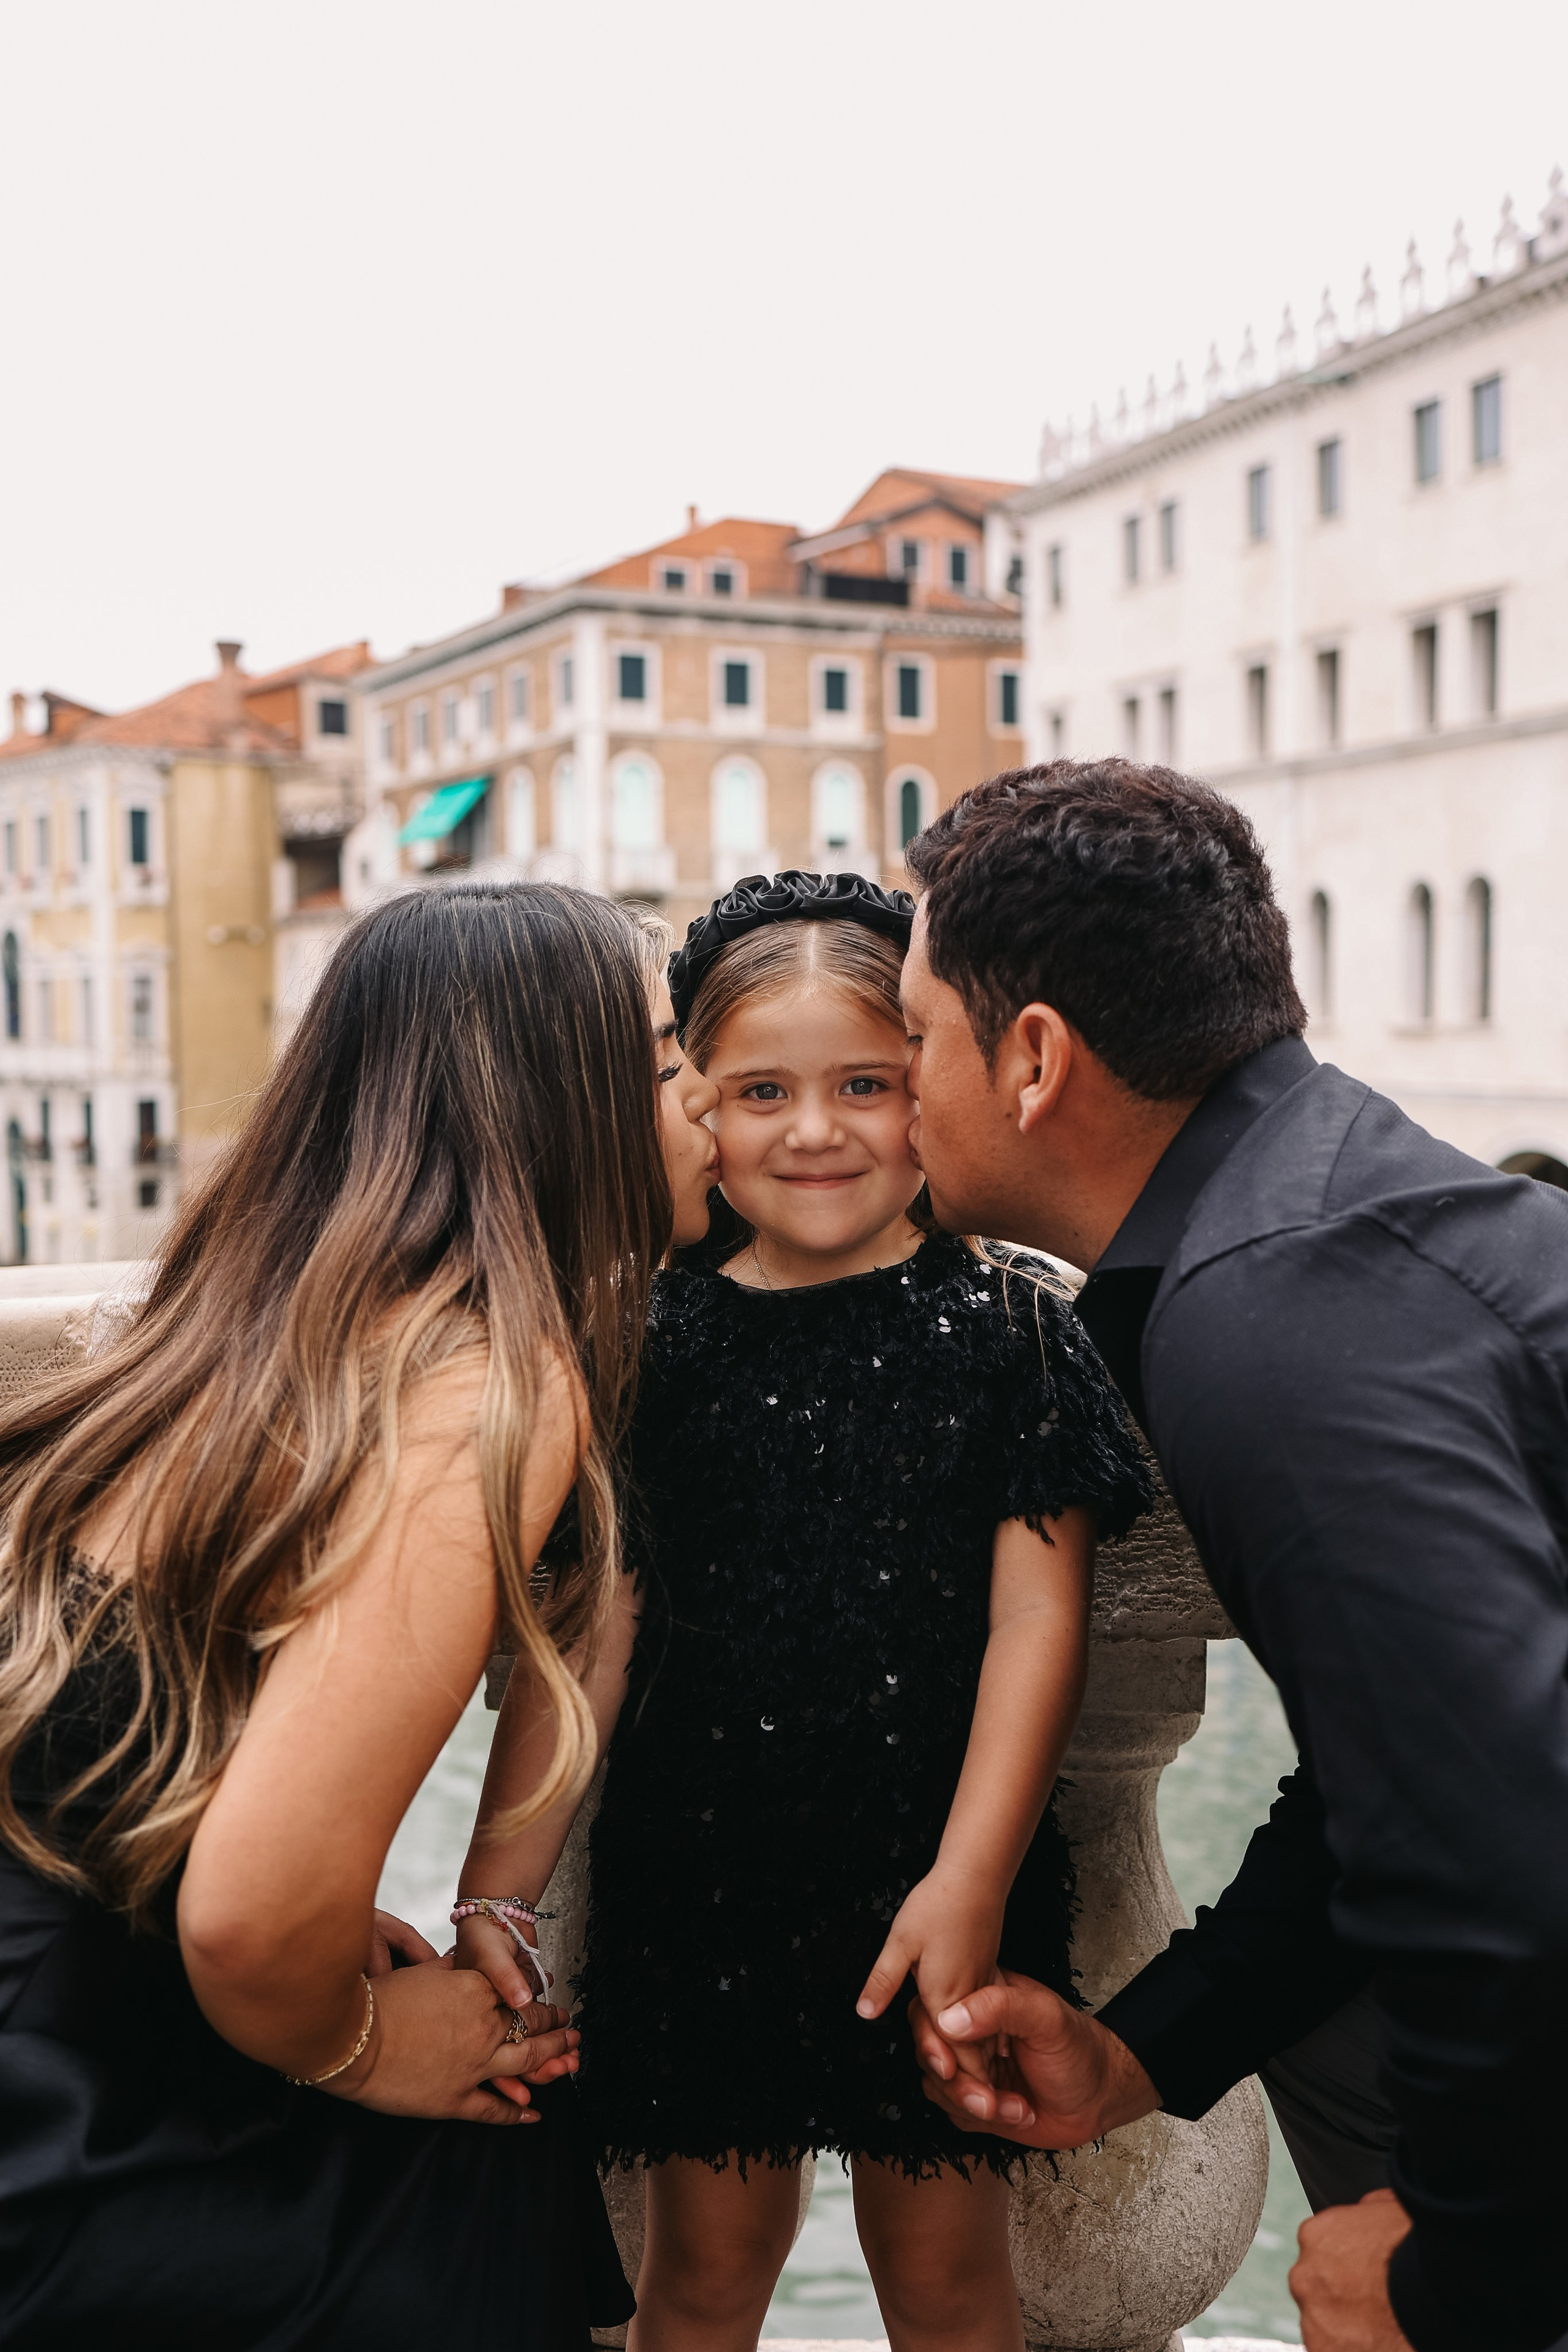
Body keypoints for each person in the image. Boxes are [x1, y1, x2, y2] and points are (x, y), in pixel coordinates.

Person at [895, 763, 1568, 2352]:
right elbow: (1396, 1780)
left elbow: (1504, 1871)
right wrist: (1145, 2057)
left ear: (1036, 1060)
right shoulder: (1317, 1201)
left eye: (916, 1038)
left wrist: (1450, 2281)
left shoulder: (1274, 1321)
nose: (900, 1082)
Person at [0, 881, 714, 2350]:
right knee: (499, 2156)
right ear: (557, 1107)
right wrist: (361, 2043)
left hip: (59, 1996)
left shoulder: (266, 1320)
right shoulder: (480, 1394)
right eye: (662, 1061)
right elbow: (255, 1918)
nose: (701, 1097)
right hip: (65, 2127)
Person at [456, 871, 1150, 2352]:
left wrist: (968, 1884)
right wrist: (494, 1887)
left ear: (933, 1090)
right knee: (700, 2277)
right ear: (693, 1103)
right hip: (695, 1888)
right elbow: (592, 1636)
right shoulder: (645, 1335)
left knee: (949, 2277)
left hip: (941, 1878)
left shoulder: (1009, 1329)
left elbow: (1039, 1631)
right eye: (760, 1088)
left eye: (865, 1085)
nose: (816, 1130)